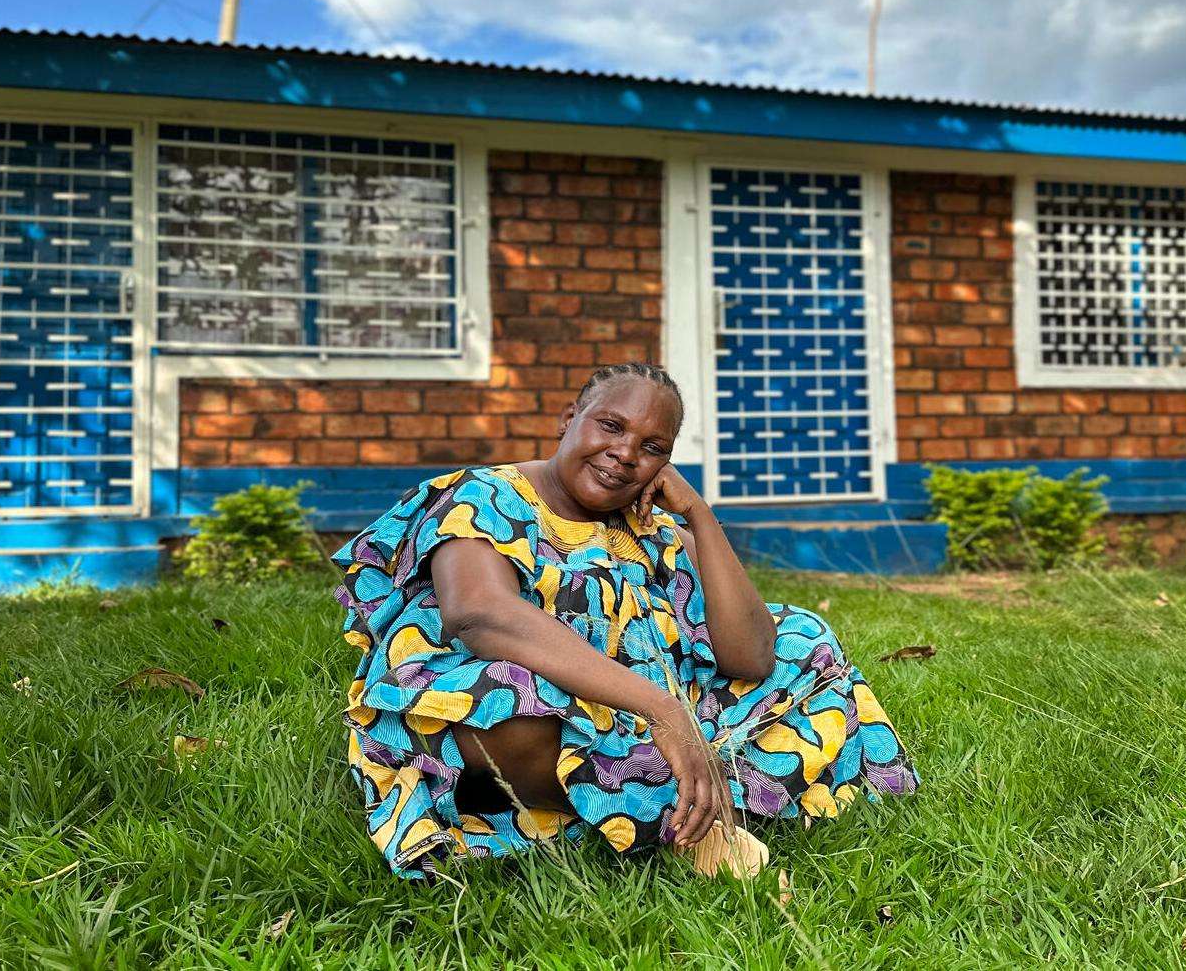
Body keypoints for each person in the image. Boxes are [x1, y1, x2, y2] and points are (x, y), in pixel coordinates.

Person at [332, 362, 917, 879]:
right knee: (514, 700)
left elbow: (751, 657)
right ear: (570, 419)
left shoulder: (650, 529)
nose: (625, 453)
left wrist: (699, 515)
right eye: (610, 426)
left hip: (631, 719)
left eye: (653, 446)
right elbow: (481, 617)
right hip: (519, 704)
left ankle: (660, 802)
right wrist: (661, 709)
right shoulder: (483, 493)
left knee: (804, 638)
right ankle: (693, 811)